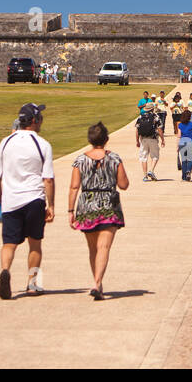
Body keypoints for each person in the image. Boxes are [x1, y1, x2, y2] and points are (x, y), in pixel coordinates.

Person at [0, 103, 55, 299]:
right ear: (35, 121)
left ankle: (5, 270)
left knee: (9, 243)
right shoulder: (42, 144)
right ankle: (33, 283)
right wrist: (51, 205)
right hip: (34, 199)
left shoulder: (6, 142)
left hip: (11, 199)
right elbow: (48, 179)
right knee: (35, 244)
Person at [68, 122, 129, 300]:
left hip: (87, 205)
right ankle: (97, 282)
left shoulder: (80, 160)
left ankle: (97, 283)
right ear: (106, 139)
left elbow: (74, 187)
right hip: (109, 205)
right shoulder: (114, 159)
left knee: (93, 248)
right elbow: (124, 184)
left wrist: (70, 210)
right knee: (104, 247)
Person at [135, 104, 165, 181]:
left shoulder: (140, 117)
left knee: (143, 157)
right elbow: (159, 129)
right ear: (152, 109)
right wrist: (162, 139)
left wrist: (137, 141)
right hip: (153, 138)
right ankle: (151, 170)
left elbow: (137, 130)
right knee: (155, 156)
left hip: (143, 139)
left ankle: (145, 175)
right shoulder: (156, 117)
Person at [176, 110, 192, 181]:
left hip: (182, 142)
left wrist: (177, 146)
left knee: (183, 160)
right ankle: (188, 171)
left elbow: (179, 135)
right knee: (190, 159)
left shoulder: (180, 125)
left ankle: (183, 176)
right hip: (189, 141)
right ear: (189, 117)